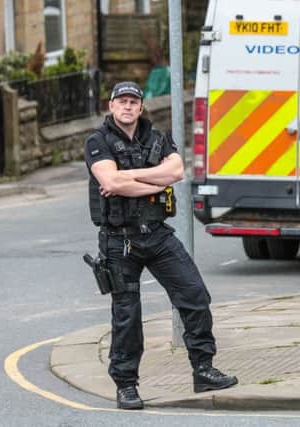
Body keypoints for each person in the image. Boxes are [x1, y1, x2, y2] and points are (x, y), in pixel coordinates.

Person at [84, 81, 238, 410]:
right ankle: (126, 385)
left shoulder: (157, 137)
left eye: (133, 102)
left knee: (195, 294)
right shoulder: (98, 141)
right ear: (111, 106)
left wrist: (131, 179)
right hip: (118, 239)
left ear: (141, 107)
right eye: (121, 101)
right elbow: (109, 181)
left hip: (156, 233)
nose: (127, 107)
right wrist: (153, 180)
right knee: (127, 314)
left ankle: (203, 369)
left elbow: (177, 171)